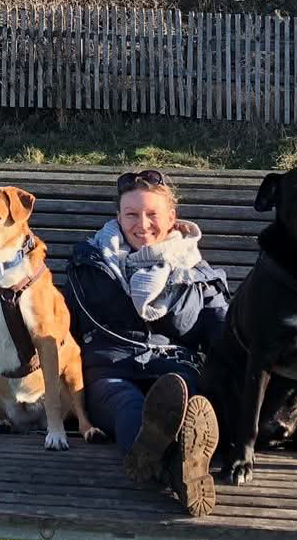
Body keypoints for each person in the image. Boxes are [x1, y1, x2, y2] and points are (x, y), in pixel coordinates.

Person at [64, 170, 229, 516]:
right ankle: (184, 472)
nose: (142, 224)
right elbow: (61, 326)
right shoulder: (91, 263)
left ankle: (165, 467)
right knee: (128, 405)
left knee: (187, 400)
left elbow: (223, 332)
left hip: (175, 368)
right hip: (110, 370)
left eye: (152, 214)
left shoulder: (196, 272)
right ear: (118, 217)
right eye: (131, 215)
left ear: (172, 218)